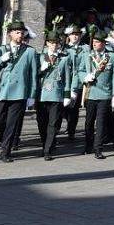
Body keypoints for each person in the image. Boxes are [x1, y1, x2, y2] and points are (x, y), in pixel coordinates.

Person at [0, 20, 38, 163]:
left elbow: (33, 75)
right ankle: (4, 139)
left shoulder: (30, 51)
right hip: (3, 91)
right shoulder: (1, 50)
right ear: (10, 34)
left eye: (22, 33)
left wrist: (32, 95)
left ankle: (6, 151)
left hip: (19, 92)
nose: (20, 35)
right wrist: (0, 60)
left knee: (12, 123)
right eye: (17, 32)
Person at [78, 30, 114, 159]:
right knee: (89, 122)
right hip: (90, 93)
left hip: (105, 94)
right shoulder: (87, 55)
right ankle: (88, 145)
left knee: (100, 123)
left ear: (103, 43)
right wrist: (85, 77)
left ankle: (98, 149)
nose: (95, 44)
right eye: (94, 42)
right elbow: (80, 70)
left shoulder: (112, 57)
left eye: (97, 42)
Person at [36, 31, 72, 161]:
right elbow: (34, 75)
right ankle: (45, 143)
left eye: (56, 43)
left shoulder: (64, 58)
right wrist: (41, 70)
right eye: (51, 43)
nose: (54, 45)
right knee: (42, 122)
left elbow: (67, 78)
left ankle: (47, 150)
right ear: (47, 43)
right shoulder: (40, 57)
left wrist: (67, 95)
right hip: (42, 94)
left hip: (56, 94)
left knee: (53, 123)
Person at [63, 25, 86, 142]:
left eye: (77, 35)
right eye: (73, 35)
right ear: (69, 36)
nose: (75, 37)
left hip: (78, 82)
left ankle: (71, 130)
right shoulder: (65, 48)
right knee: (63, 107)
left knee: (74, 108)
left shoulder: (85, 48)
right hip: (65, 82)